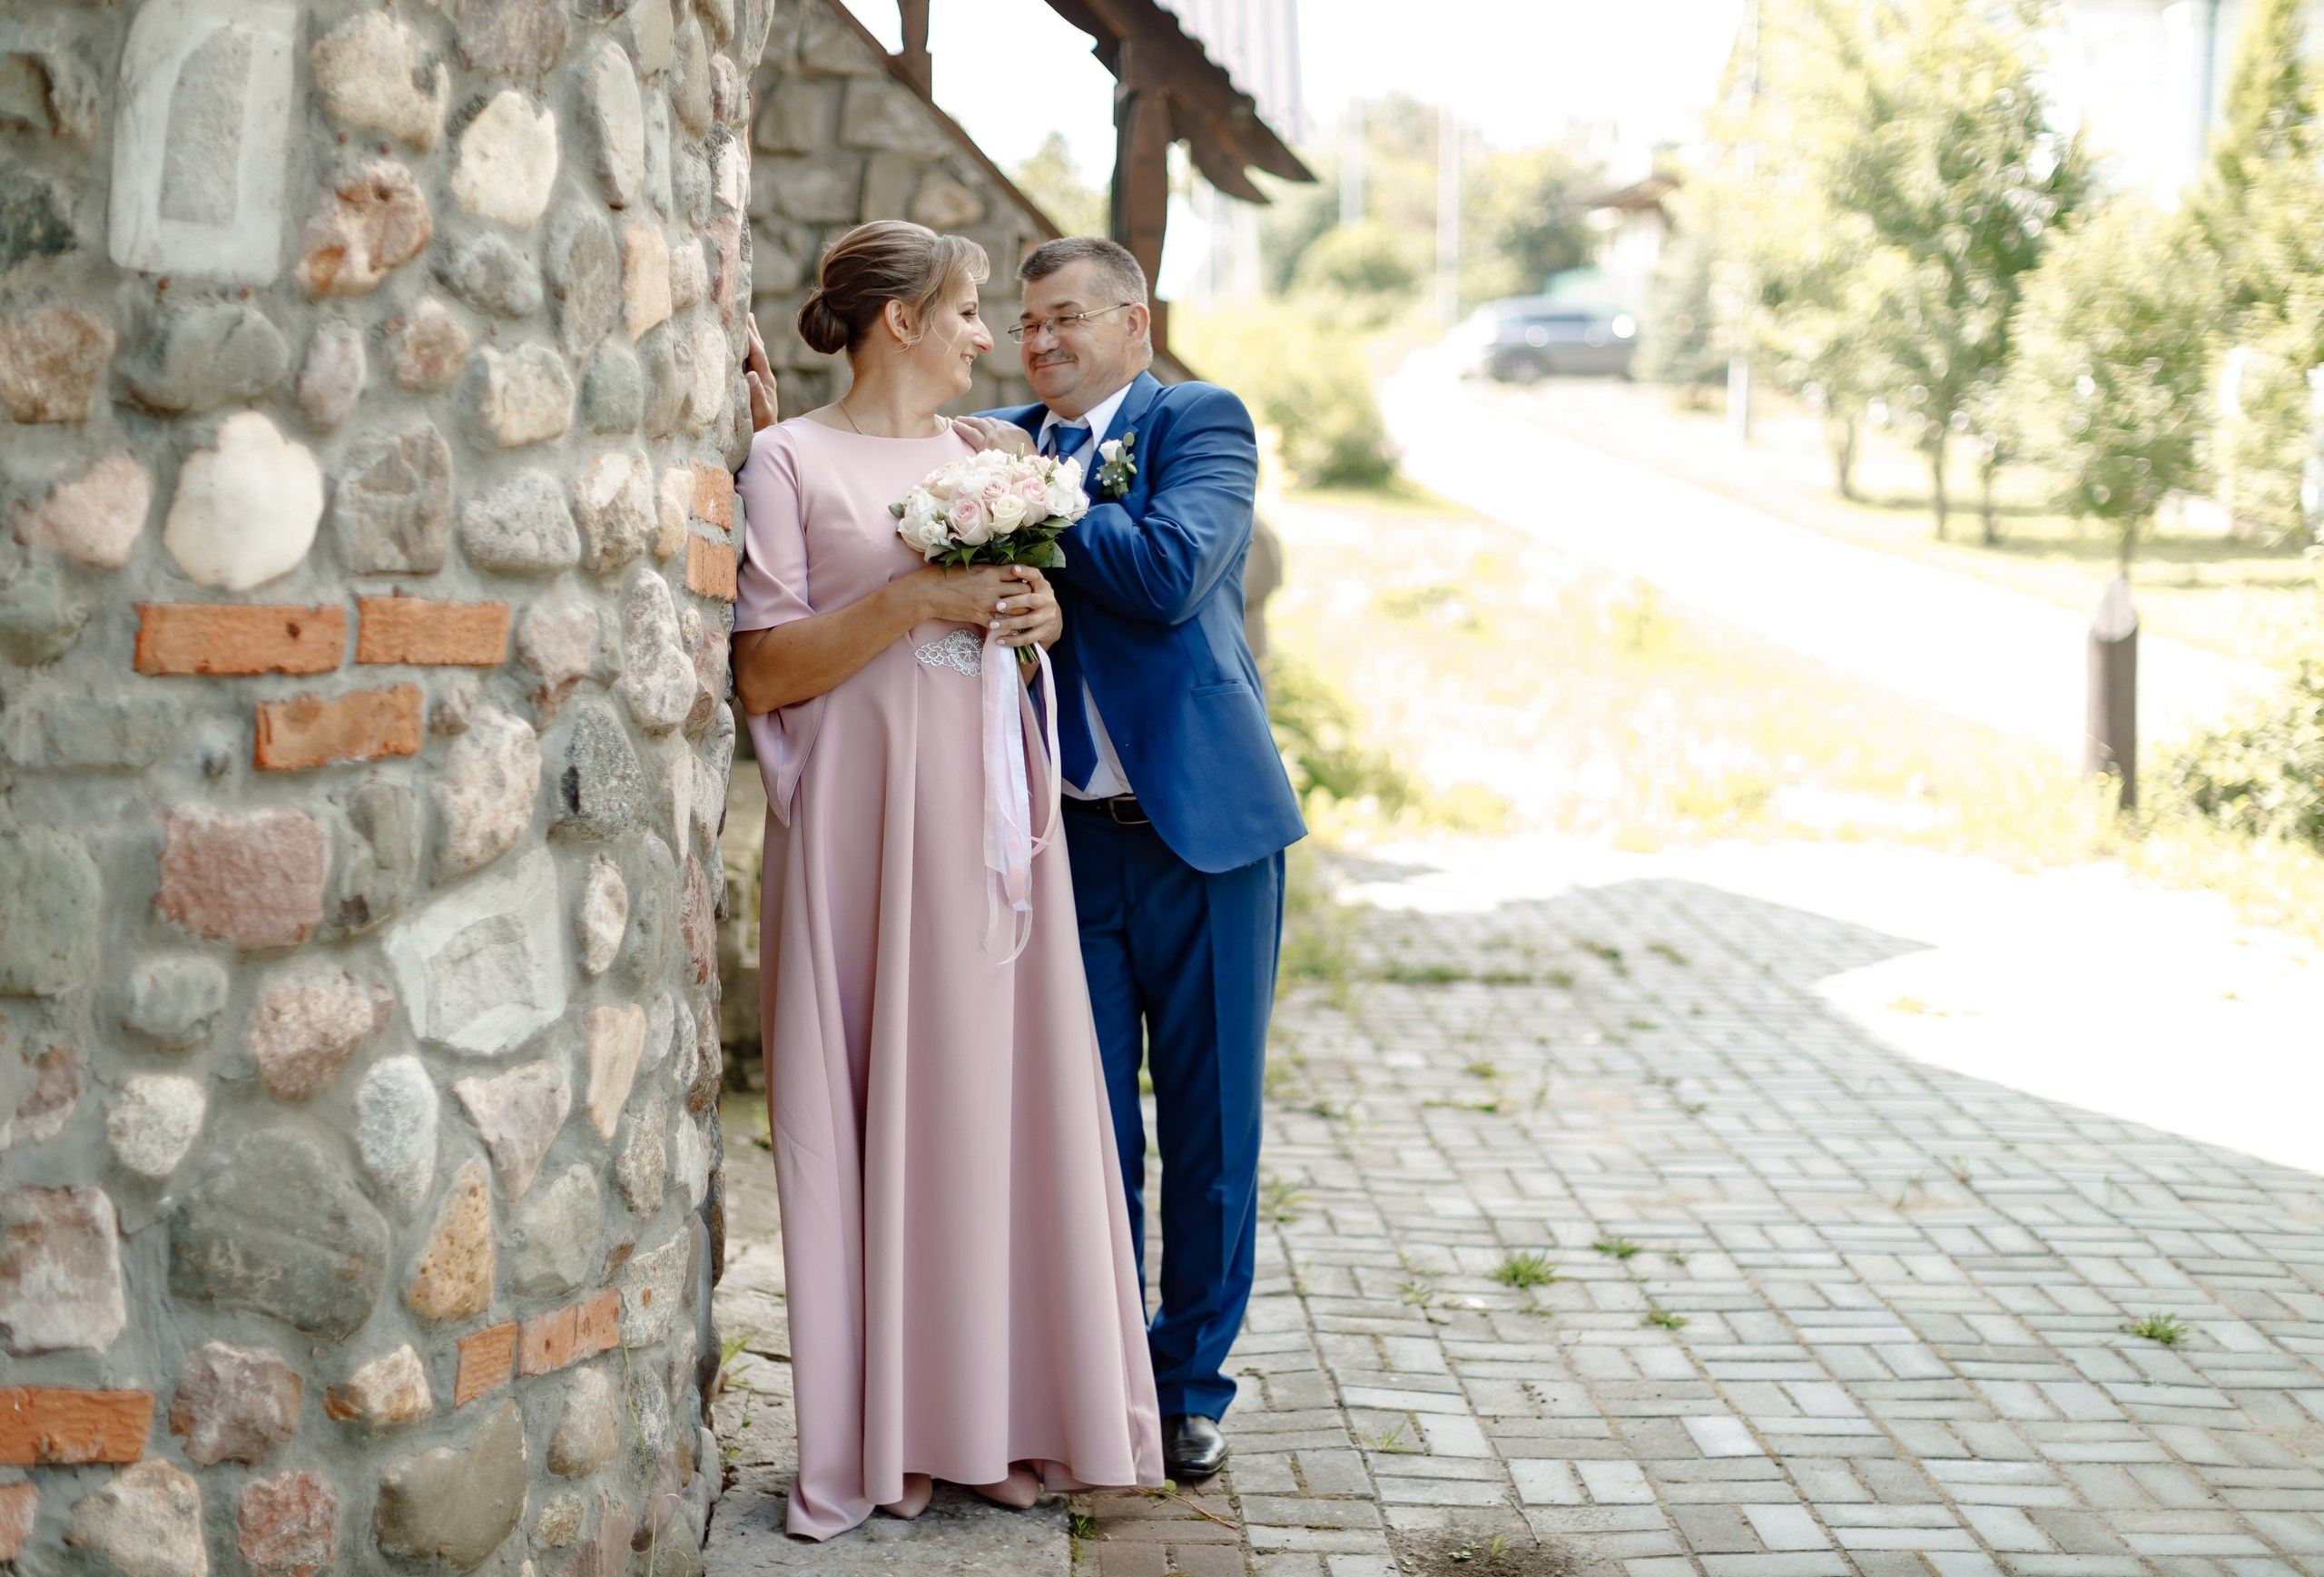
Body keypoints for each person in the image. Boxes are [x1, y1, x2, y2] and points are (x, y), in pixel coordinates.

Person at [730, 220, 1163, 1540]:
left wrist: (1036, 615)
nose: (991, 335)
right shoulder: (788, 459)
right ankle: (883, 1437)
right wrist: (916, 600)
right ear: (901, 321)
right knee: (864, 1112)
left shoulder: (988, 453)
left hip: (986, 823)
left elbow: (1027, 623)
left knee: (991, 1106)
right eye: (969, 310)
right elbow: (764, 671)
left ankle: (998, 1418)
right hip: (860, 827)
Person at [958, 237, 1306, 1483]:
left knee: (1210, 1130)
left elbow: (1166, 574)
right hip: (1063, 851)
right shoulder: (986, 447)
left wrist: (1037, 500)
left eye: (1066, 317)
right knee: (1089, 1125)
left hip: (1206, 839)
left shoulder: (1198, 423)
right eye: (1025, 323)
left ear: (1132, 322)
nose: (1040, 342)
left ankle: (1191, 1385)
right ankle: (1102, 1377)